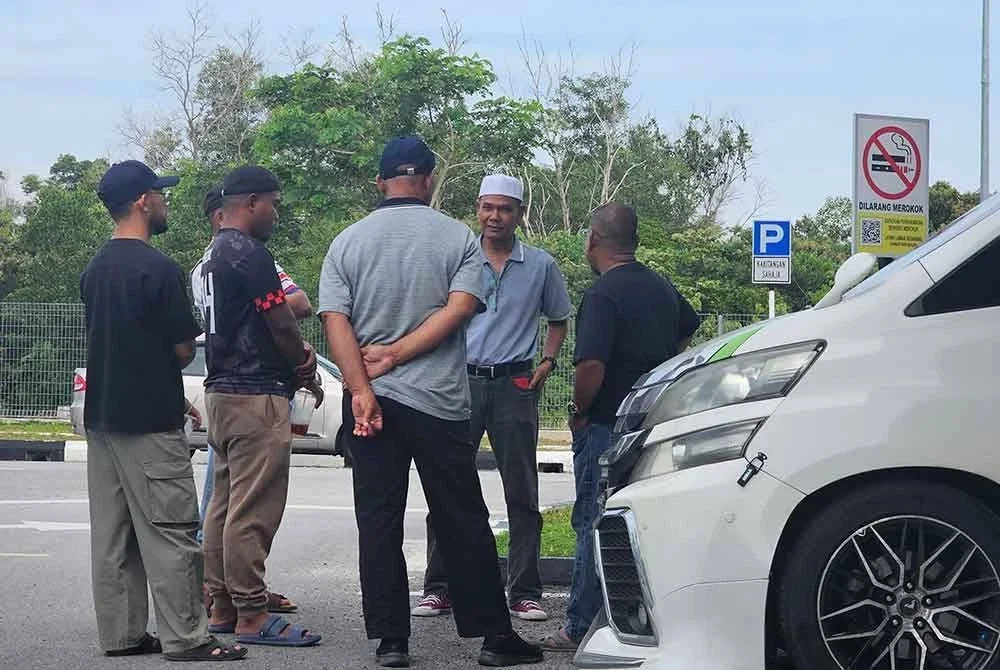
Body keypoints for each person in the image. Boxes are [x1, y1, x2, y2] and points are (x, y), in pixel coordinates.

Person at [318, 135, 544, 668]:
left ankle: (392, 641)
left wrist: (361, 390)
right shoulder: (457, 237)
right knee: (462, 516)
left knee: (378, 519)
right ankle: (494, 639)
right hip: (439, 404)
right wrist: (398, 356)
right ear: (428, 179)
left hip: (370, 407)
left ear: (380, 183)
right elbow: (462, 307)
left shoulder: (347, 242)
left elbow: (334, 321)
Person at [80, 159, 247, 662]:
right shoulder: (159, 269)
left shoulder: (95, 269)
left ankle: (123, 635)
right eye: (159, 193)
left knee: (113, 537)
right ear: (141, 202)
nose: (164, 201)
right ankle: (187, 638)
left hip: (102, 420)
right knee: (171, 531)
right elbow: (180, 350)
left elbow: (116, 344)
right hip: (150, 421)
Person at [540, 203, 701, 652]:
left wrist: (578, 408)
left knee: (593, 520)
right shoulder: (661, 287)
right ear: (635, 241)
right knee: (641, 522)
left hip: (607, 424)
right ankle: (637, 618)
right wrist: (658, 367)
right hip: (654, 422)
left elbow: (591, 363)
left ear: (592, 240)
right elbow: (688, 328)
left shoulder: (603, 294)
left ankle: (579, 625)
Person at [413, 174, 571, 623]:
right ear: (477, 210)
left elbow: (559, 318)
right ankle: (439, 587)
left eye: (504, 208)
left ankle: (524, 590)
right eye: (487, 207)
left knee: (521, 492)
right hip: (458, 381)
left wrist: (548, 361)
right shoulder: (458, 261)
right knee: (447, 485)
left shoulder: (540, 265)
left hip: (515, 385)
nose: (494, 216)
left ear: (520, 213)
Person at [193, 165, 322, 648]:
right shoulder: (249, 253)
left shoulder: (207, 259)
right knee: (254, 509)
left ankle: (222, 605)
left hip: (221, 392)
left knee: (223, 506)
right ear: (250, 203)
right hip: (255, 393)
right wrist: (303, 367)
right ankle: (251, 613)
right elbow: (283, 321)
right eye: (274, 201)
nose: (277, 210)